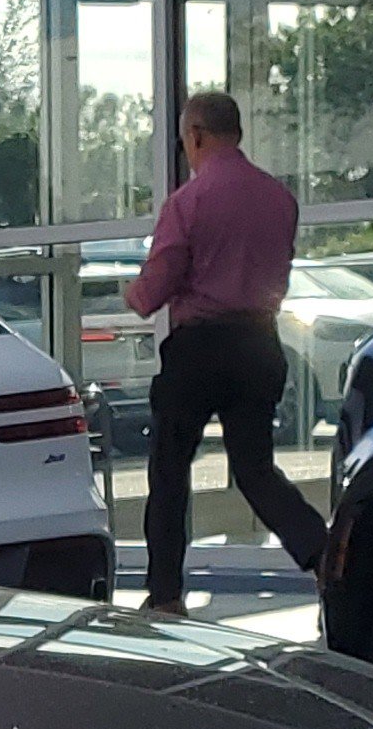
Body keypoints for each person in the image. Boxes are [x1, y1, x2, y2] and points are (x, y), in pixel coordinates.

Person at [122, 90, 322, 613]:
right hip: (259, 343)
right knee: (255, 470)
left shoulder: (187, 203)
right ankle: (325, 556)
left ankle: (165, 595)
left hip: (199, 349)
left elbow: (156, 287)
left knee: (170, 471)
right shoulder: (279, 199)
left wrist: (134, 293)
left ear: (196, 136)